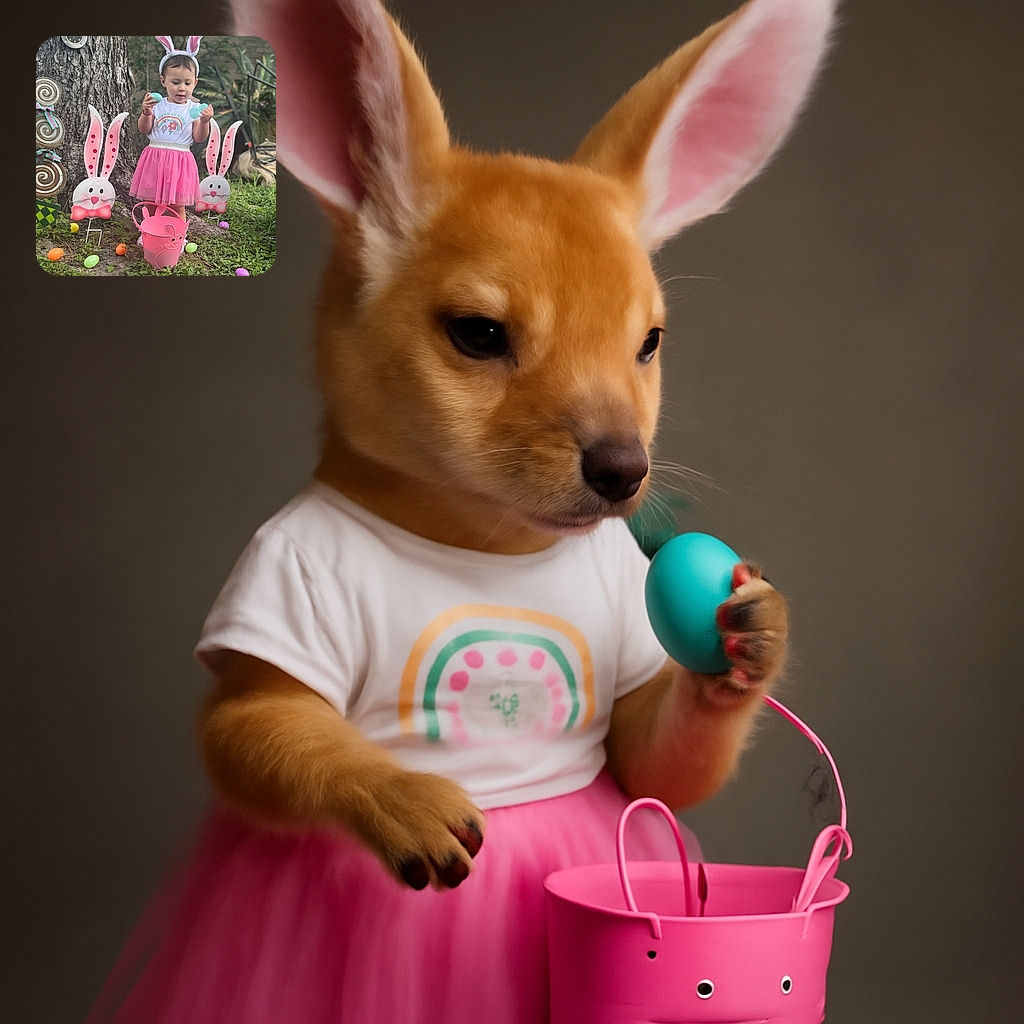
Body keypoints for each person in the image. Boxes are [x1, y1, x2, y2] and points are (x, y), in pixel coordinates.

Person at [129, 37, 213, 230]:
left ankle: (178, 236)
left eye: (187, 82)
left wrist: (205, 122)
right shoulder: (157, 104)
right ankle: (148, 231)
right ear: (163, 81)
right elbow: (145, 130)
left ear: (195, 83)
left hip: (180, 160)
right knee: (150, 202)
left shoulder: (194, 109)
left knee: (177, 205)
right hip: (155, 158)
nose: (181, 88)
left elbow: (198, 138)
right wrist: (146, 113)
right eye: (175, 82)